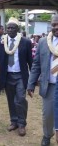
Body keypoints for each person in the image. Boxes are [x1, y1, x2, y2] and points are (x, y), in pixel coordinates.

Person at [0, 17, 32, 137]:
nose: (10, 30)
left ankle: (22, 123)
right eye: (8, 28)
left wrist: (33, 79)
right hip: (7, 76)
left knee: (20, 100)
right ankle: (14, 121)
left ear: (17, 29)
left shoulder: (26, 42)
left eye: (13, 28)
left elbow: (31, 61)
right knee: (11, 100)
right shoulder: (1, 43)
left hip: (20, 76)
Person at [27, 14, 58, 146]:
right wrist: (31, 83)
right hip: (50, 86)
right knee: (48, 115)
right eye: (54, 24)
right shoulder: (43, 42)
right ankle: (47, 136)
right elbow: (36, 64)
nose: (56, 27)